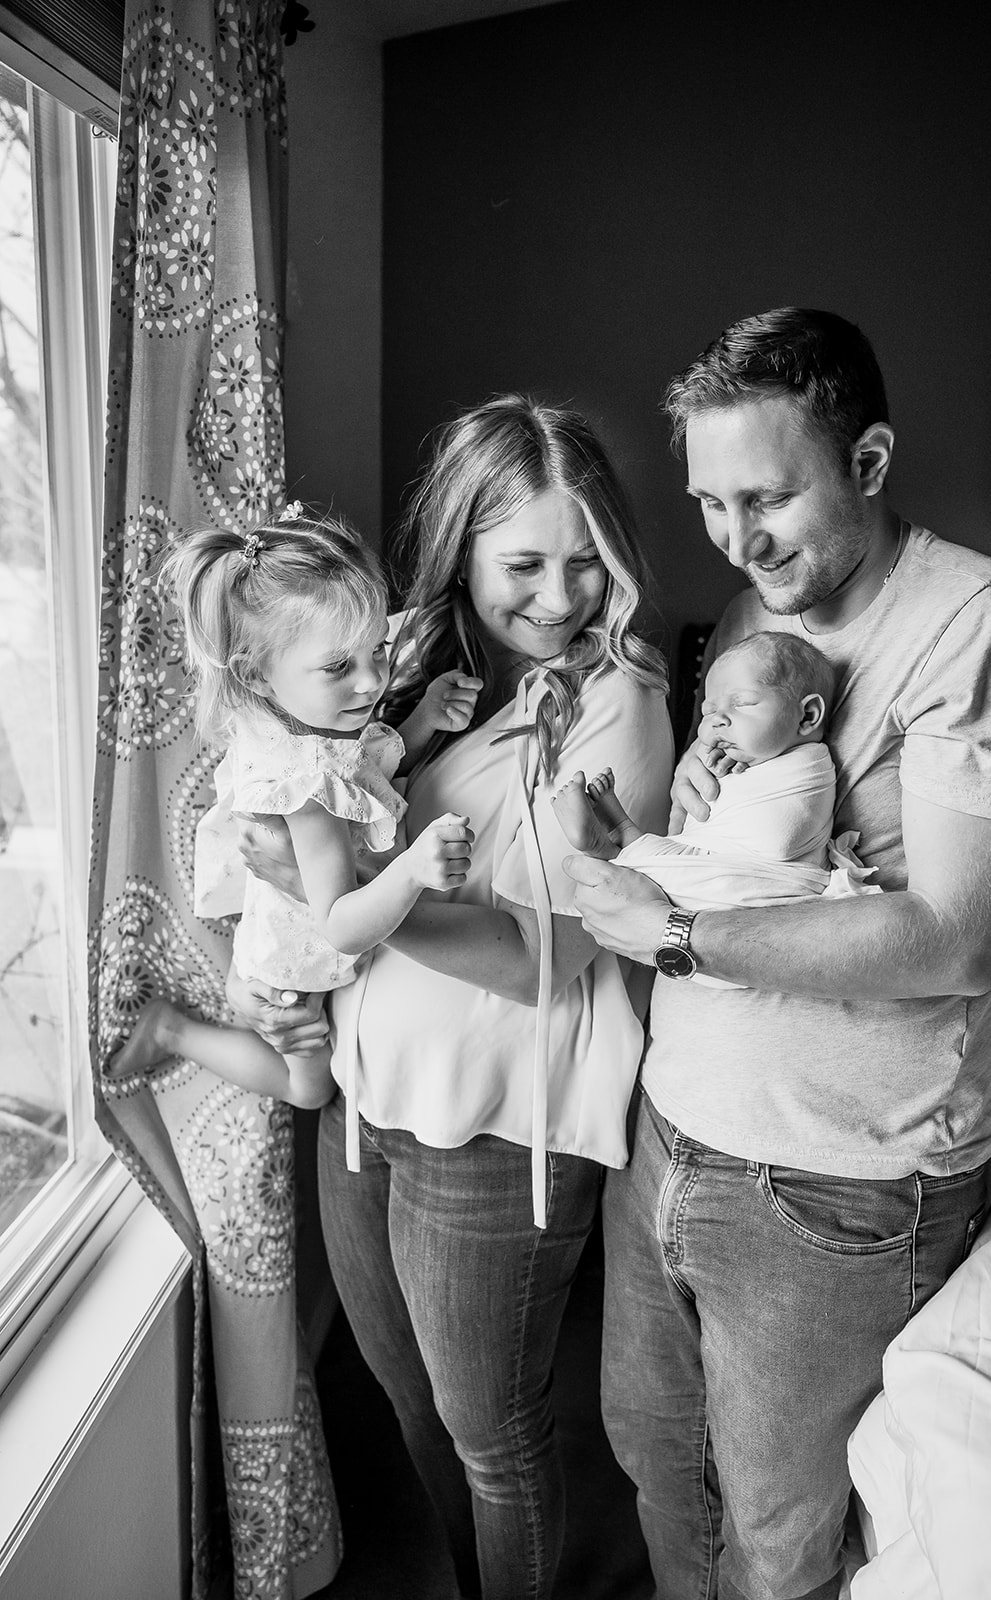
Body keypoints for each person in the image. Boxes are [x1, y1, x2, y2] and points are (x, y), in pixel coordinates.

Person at [562, 308, 991, 1600]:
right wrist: (669, 812)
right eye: (710, 503)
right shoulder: (755, 615)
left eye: (767, 498)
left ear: (871, 462)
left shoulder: (981, 625)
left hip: (841, 1185)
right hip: (674, 1130)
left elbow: (955, 937)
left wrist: (677, 934)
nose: (737, 539)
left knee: (781, 1541)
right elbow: (735, 822)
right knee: (657, 1458)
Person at [225, 395, 675, 1600]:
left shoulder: (618, 704)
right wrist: (290, 974)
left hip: (495, 1134)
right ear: (462, 550)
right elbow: (290, 824)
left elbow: (548, 954)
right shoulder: (391, 668)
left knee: (494, 1436)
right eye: (522, 564)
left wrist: (351, 899)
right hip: (364, 1101)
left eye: (586, 561)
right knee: (409, 1402)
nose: (559, 597)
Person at [108, 505, 477, 1107]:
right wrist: (413, 870)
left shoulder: (288, 711)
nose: (372, 681)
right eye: (339, 667)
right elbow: (342, 925)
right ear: (257, 674)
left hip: (275, 927)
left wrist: (423, 718)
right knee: (308, 1091)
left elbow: (361, 772)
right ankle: (170, 1030)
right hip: (290, 968)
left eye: (378, 650)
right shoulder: (308, 792)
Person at [551, 629, 878, 989]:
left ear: (808, 716)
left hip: (755, 908)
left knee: (671, 874)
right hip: (695, 947)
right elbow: (697, 823)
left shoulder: (809, 765)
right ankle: (619, 835)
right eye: (710, 710)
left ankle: (610, 845)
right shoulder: (738, 753)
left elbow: (778, 839)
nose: (717, 720)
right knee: (671, 863)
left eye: (743, 704)